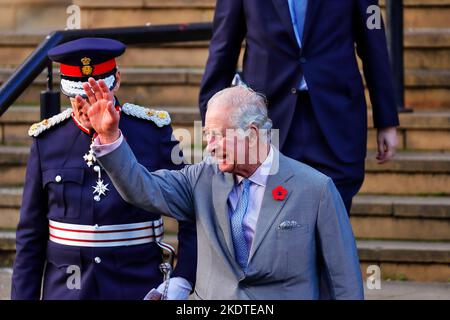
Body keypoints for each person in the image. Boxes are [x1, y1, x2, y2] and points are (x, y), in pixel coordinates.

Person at [86, 83, 364, 299]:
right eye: (207, 135)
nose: (210, 146)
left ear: (253, 134)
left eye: (219, 134)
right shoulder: (202, 179)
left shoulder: (315, 189)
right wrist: (111, 139)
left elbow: (344, 281)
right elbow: (143, 189)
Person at [11, 38, 197, 300]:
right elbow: (31, 236)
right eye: (78, 98)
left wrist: (183, 277)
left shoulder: (151, 132)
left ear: (117, 81)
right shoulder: (47, 140)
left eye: (96, 95)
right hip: (67, 290)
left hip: (137, 286)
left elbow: (190, 204)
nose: (88, 106)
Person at [199, 0, 400, 213]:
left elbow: (374, 43)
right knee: (269, 224)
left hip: (336, 121)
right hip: (268, 121)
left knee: (333, 222)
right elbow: (223, 48)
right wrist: (212, 129)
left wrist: (386, 119)